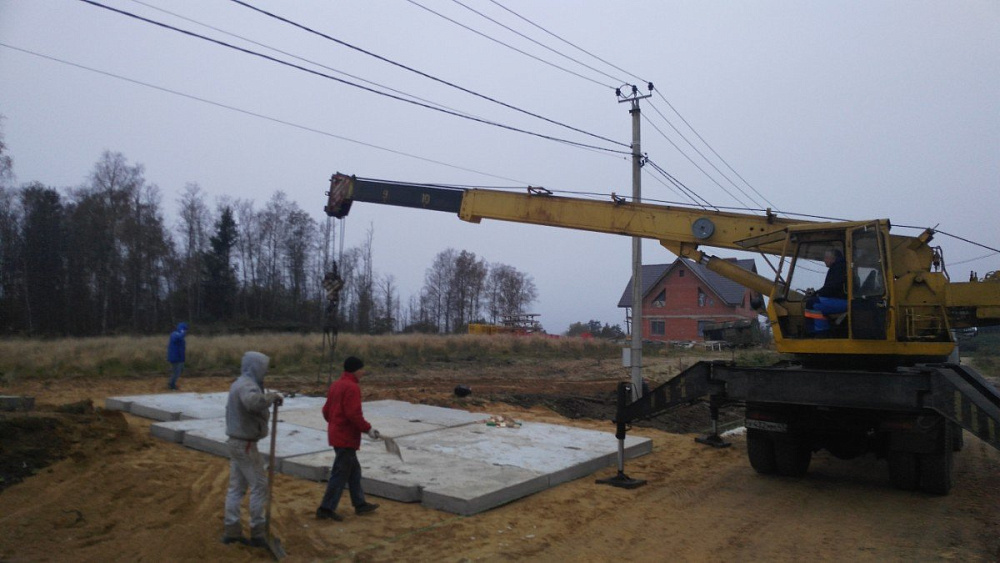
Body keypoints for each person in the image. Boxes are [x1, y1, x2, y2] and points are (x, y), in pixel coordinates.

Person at [221, 351, 283, 547]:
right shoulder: (247, 386)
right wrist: (271, 397)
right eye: (263, 368)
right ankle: (258, 532)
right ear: (255, 367)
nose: (265, 372)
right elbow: (253, 402)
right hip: (245, 444)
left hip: (236, 441)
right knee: (259, 485)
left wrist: (268, 397)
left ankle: (231, 530)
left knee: (236, 488)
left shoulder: (239, 383)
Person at [316, 356, 380, 521]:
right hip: (345, 438)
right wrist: (368, 429)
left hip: (337, 434)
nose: (363, 372)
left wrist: (335, 423)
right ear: (355, 370)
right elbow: (353, 414)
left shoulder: (336, 385)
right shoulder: (352, 387)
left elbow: (326, 411)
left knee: (354, 470)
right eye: (362, 369)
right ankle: (326, 508)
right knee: (340, 473)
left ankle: (360, 504)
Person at [807, 248, 848, 333]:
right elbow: (831, 287)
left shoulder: (839, 268)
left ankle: (820, 332)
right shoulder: (841, 267)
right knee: (815, 301)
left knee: (812, 304)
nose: (824, 260)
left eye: (826, 257)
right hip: (843, 300)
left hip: (844, 301)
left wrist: (817, 294)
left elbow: (832, 287)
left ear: (833, 258)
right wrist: (817, 293)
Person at [166, 322, 188, 390]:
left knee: (178, 371)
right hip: (175, 357)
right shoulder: (174, 334)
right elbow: (177, 338)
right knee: (176, 372)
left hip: (179, 357)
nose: (186, 331)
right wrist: (182, 332)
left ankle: (171, 383)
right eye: (185, 329)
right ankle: (171, 384)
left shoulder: (179, 335)